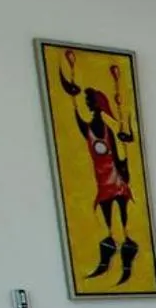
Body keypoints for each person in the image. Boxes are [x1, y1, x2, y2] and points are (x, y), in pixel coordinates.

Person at [56, 50, 139, 285]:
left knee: (121, 216)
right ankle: (113, 248)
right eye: (87, 102)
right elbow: (78, 121)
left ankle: (124, 245)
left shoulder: (108, 131)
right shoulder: (91, 130)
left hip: (114, 178)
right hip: (103, 180)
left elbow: (121, 149)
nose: (88, 104)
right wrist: (72, 95)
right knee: (107, 218)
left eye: (89, 101)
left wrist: (124, 169)